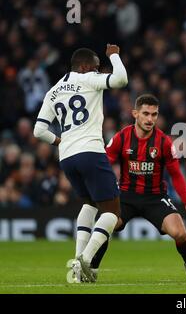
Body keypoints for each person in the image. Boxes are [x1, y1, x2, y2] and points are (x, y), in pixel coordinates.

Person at [90, 94, 186, 280]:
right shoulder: (121, 137)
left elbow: (176, 174)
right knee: (105, 225)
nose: (150, 119)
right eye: (146, 114)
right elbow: (104, 166)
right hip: (125, 195)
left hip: (155, 197)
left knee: (180, 233)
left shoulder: (163, 142)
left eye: (154, 114)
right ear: (135, 114)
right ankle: (92, 270)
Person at [33, 45, 128, 282]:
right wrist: (114, 54)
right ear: (85, 67)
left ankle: (78, 269)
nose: (98, 71)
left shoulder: (53, 91)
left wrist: (60, 141)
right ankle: (84, 259)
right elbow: (121, 79)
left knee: (90, 206)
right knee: (113, 214)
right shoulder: (89, 79)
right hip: (90, 151)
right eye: (95, 67)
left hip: (67, 157)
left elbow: (38, 130)